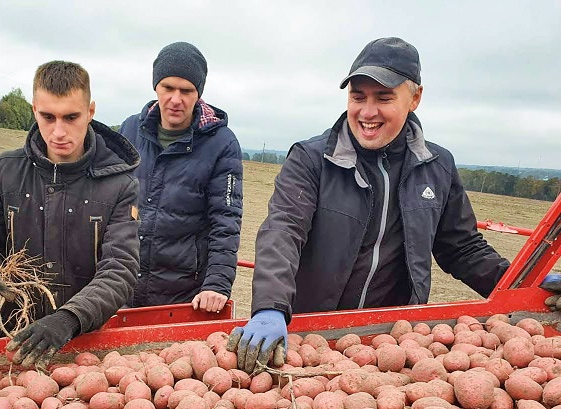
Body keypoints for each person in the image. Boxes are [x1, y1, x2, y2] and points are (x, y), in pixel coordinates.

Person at [228, 36, 514, 371]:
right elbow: (283, 231)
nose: (367, 112)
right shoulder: (312, 159)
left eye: (384, 98)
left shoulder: (437, 166)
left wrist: (518, 282)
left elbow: (462, 247)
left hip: (388, 345)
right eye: (357, 96)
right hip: (310, 339)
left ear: (415, 98)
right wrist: (270, 307)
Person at [0, 60, 140, 370]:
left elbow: (120, 270)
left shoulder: (119, 184)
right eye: (48, 117)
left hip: (84, 347)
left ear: (90, 112)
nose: (59, 132)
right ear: (34, 110)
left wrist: (68, 319)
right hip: (10, 339)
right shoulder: (3, 171)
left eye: (71, 117)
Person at [119, 41, 243, 313]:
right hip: (123, 286)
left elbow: (226, 219)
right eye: (168, 88)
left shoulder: (221, 143)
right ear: (156, 87)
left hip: (183, 294)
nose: (176, 99)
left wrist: (217, 283)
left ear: (198, 93)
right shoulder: (130, 130)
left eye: (186, 90)